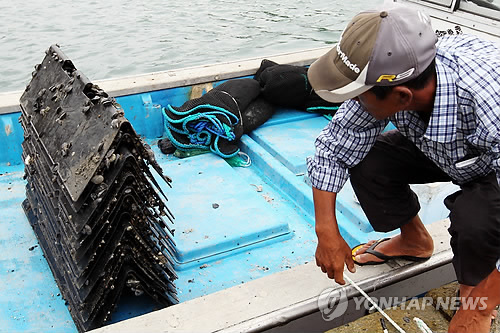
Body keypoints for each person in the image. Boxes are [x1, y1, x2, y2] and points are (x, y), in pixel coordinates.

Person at [305, 4, 500, 333]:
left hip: (490, 157)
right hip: (459, 150)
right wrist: (326, 231)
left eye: (360, 95)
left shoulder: (488, 100)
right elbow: (334, 149)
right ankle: (414, 241)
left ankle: (476, 303)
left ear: (402, 96)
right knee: (368, 157)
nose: (355, 104)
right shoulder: (397, 80)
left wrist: (477, 306)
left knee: (474, 219)